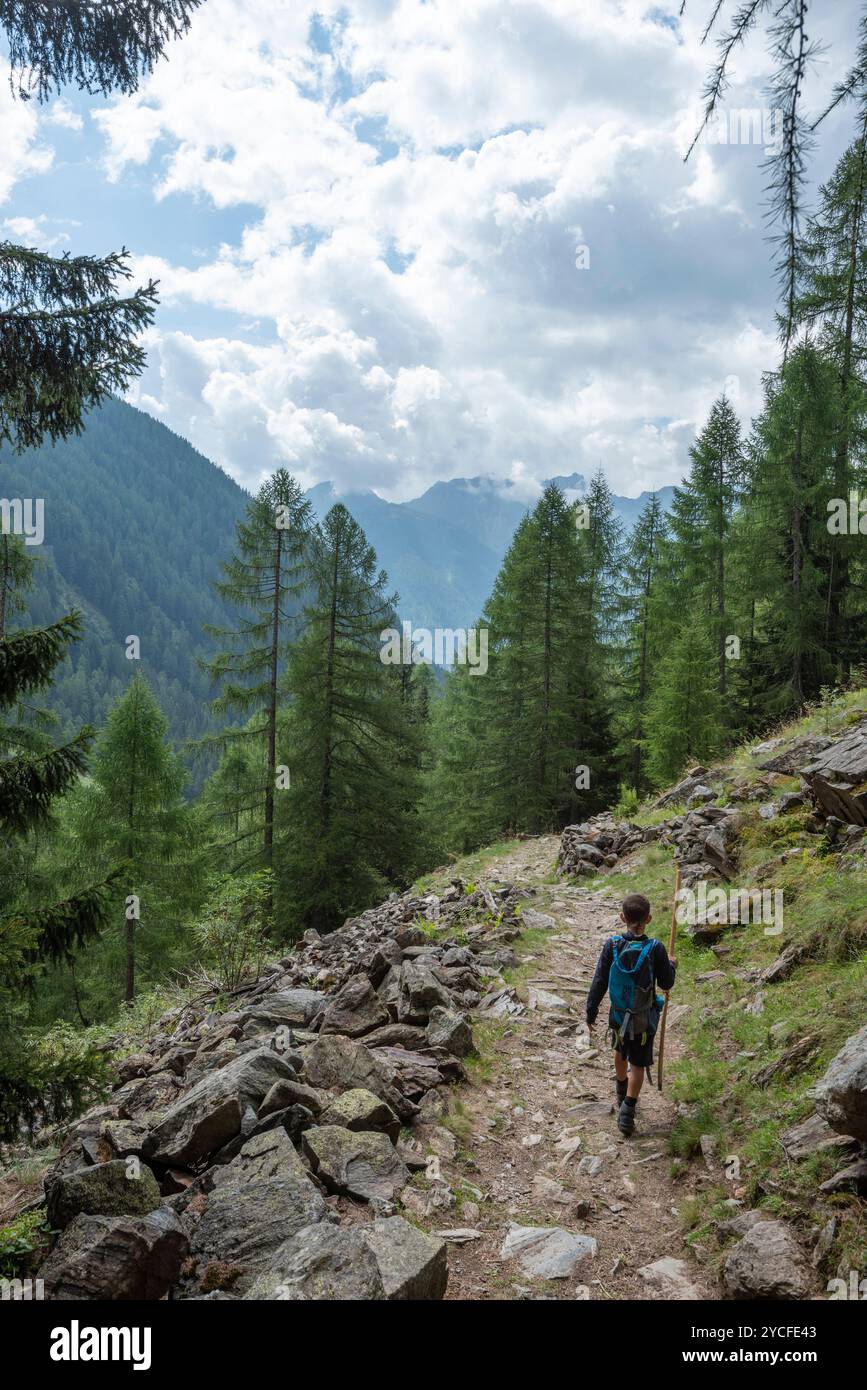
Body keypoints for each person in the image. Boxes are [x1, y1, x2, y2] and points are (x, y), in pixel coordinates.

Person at [585, 891, 676, 1136]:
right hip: (643, 1020)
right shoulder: (655, 948)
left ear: (622, 917)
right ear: (649, 919)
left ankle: (620, 1089)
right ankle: (628, 1112)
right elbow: (666, 983)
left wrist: (591, 1012)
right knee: (637, 1064)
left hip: (617, 1015)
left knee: (619, 1050)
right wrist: (671, 965)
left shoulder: (612, 945)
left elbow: (599, 981)